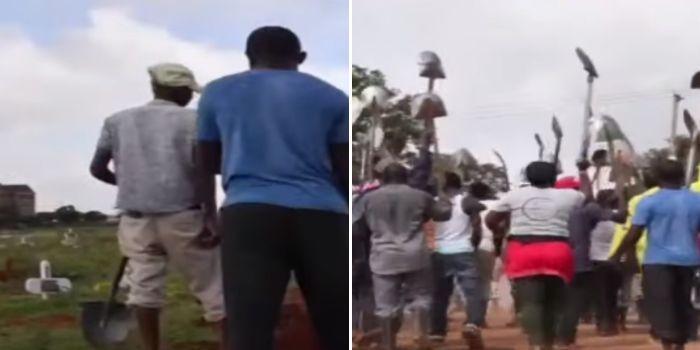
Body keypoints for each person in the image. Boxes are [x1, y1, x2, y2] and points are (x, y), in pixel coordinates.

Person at [196, 27, 348, 350]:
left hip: (249, 213)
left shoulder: (217, 92)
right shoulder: (334, 97)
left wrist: (208, 214)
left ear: (249, 58)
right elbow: (342, 167)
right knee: (335, 322)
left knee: (249, 326)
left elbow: (205, 162)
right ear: (301, 58)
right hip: (323, 214)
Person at [90, 63, 225, 350]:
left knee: (144, 291)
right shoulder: (194, 120)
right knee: (213, 289)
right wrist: (211, 218)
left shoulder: (117, 121)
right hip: (184, 217)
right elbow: (205, 171)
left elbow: (97, 168)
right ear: (179, 91)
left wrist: (132, 184)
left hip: (136, 219)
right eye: (188, 92)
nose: (191, 97)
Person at [486, 161, 585, 350]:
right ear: (554, 178)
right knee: (554, 302)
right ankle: (549, 343)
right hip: (558, 250)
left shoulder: (514, 195)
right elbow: (586, 195)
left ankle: (537, 344)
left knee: (531, 302)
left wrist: (500, 232)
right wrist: (583, 170)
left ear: (528, 178)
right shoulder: (568, 196)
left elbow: (490, 219)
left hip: (524, 250)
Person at [610, 159, 700, 350]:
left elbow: (634, 233)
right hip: (688, 259)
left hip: (657, 260)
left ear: (658, 177)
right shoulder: (697, 200)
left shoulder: (649, 202)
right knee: (682, 300)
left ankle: (667, 343)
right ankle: (680, 342)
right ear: (682, 175)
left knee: (661, 302)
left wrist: (617, 255)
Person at [358, 163, 433, 350]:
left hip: (383, 256)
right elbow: (442, 214)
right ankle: (420, 334)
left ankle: (388, 344)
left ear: (383, 178)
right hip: (415, 254)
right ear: (406, 177)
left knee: (385, 306)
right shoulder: (420, 195)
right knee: (421, 297)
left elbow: (356, 228)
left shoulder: (368, 198)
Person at [428, 173, 486, 348]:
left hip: (439, 251)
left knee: (439, 295)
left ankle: (437, 332)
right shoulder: (466, 201)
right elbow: (477, 223)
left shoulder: (433, 202)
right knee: (473, 292)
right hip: (463, 251)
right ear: (459, 185)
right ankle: (472, 324)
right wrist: (474, 244)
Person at [470, 182, 499, 327]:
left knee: (469, 283)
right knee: (485, 282)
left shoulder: (466, 204)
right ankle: (480, 317)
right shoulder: (495, 205)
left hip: (467, 246)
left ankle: (472, 316)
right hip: (488, 245)